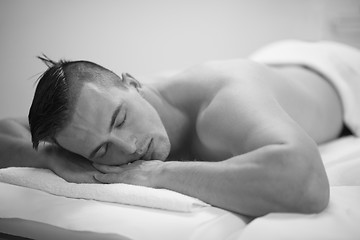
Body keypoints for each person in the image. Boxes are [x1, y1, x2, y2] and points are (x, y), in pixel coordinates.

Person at [1, 40, 359, 217]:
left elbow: (307, 184)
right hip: (272, 67)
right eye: (101, 150)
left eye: (120, 119)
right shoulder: (86, 122)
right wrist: (50, 157)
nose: (127, 149)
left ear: (133, 82)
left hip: (340, 71)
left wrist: (156, 174)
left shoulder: (224, 101)